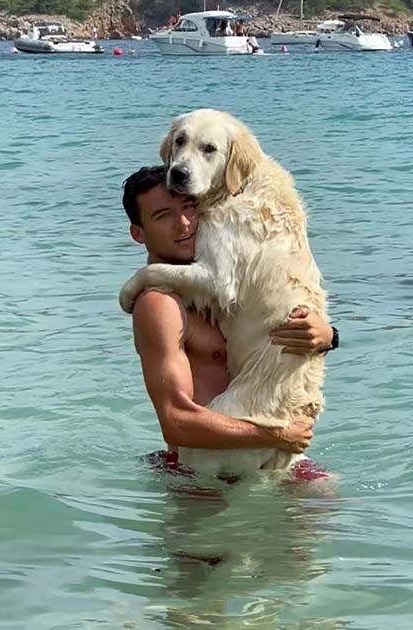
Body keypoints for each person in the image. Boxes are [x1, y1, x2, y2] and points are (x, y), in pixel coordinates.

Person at [120, 166, 338, 483]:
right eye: (163, 215)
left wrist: (326, 336)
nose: (184, 224)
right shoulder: (160, 304)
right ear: (138, 233)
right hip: (206, 474)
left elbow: (271, 341)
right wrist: (275, 435)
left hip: (269, 453)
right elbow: (176, 421)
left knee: (334, 515)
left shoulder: (222, 288)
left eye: (189, 208)